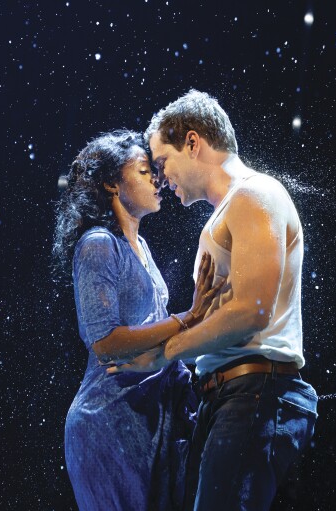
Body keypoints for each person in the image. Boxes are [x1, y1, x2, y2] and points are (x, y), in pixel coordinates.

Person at [110, 91, 319, 510]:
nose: (162, 177)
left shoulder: (254, 194)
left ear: (193, 142)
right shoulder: (225, 212)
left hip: (255, 391)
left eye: (163, 161)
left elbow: (251, 311)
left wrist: (163, 354)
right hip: (230, 396)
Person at [53, 130, 223, 511]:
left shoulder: (142, 246)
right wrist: (186, 318)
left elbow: (155, 331)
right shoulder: (98, 243)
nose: (158, 180)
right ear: (112, 183)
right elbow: (105, 343)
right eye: (146, 171)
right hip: (109, 418)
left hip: (150, 412)